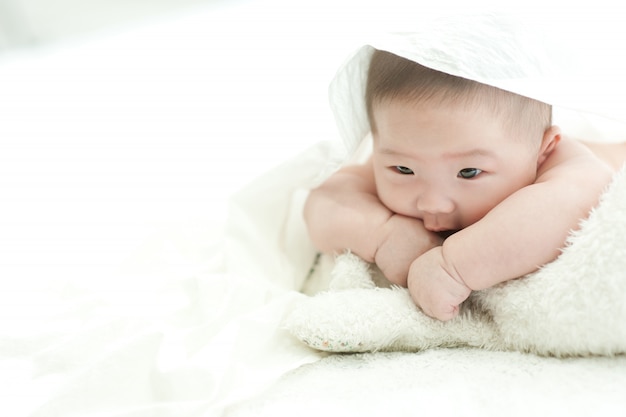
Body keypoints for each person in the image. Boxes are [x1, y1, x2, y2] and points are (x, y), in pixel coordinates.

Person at [304, 49, 626, 321]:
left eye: (469, 172)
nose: (433, 202)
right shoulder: (416, 149)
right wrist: (383, 233)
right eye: (403, 169)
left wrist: (455, 267)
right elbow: (325, 202)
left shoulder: (567, 164)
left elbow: (571, 203)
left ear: (542, 151)